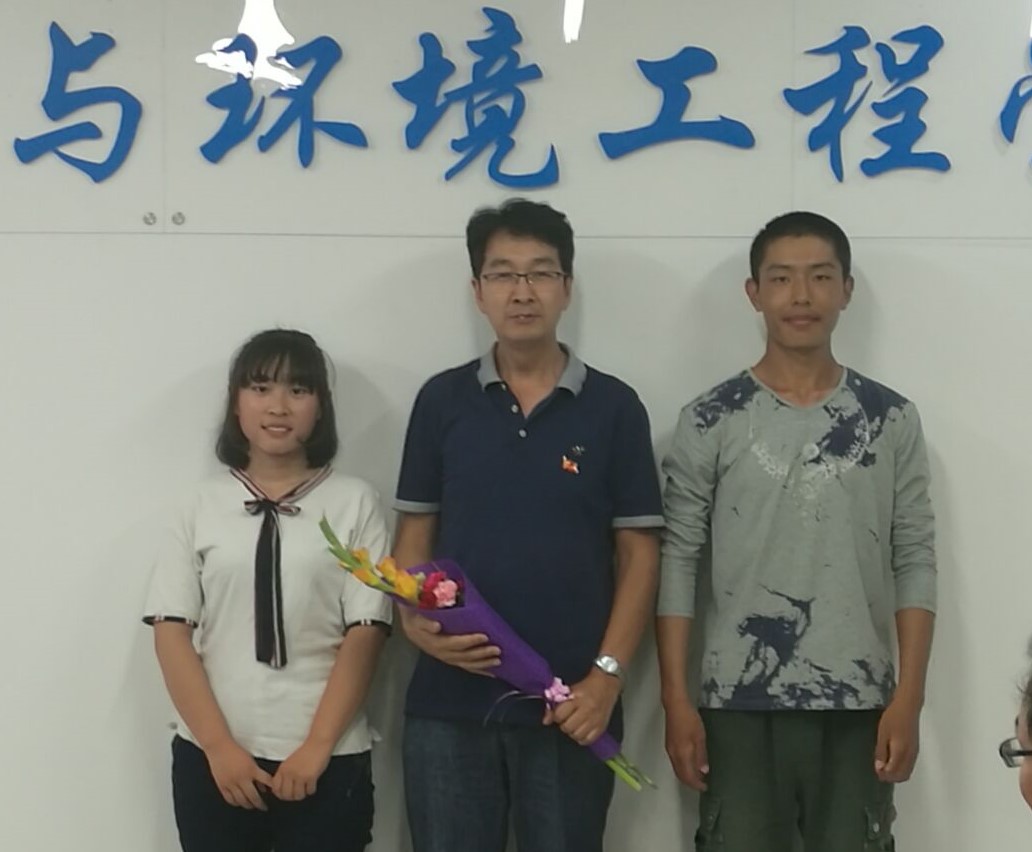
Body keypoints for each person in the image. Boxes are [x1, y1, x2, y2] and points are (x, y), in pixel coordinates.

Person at [657, 211, 937, 851]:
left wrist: (910, 698)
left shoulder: (890, 418)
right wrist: (676, 700)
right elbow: (678, 561)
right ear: (754, 292)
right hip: (737, 703)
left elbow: (915, 557)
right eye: (781, 278)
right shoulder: (710, 418)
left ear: (846, 290)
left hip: (860, 702)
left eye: (820, 276)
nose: (801, 296)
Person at [392, 198, 663, 852]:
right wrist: (411, 621)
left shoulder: (614, 407)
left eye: (540, 273)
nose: (522, 291)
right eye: (502, 274)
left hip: (570, 705)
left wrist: (605, 677)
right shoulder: (441, 401)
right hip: (450, 705)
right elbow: (414, 539)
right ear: (477, 290)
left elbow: (639, 555)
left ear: (566, 288)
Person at [143, 329, 392, 852]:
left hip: (328, 756)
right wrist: (218, 748)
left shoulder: (355, 501)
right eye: (260, 388)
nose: (278, 406)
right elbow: (171, 631)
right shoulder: (198, 504)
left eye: (298, 390)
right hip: (215, 758)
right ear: (236, 403)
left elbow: (366, 632)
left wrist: (317, 746)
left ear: (320, 407)